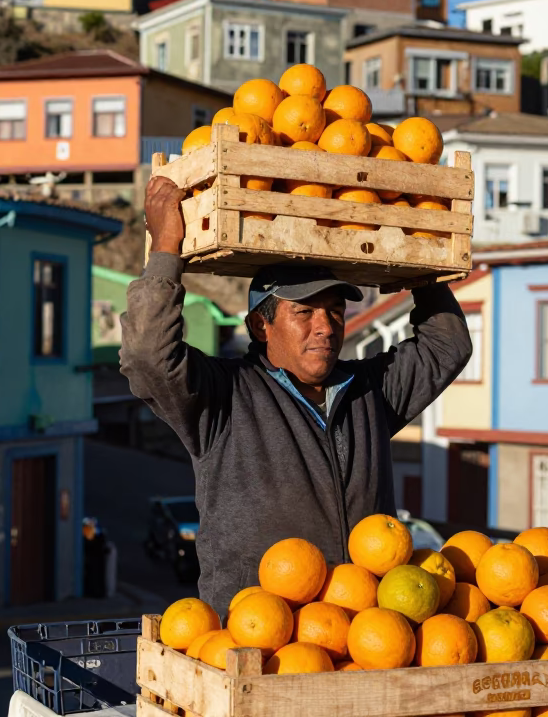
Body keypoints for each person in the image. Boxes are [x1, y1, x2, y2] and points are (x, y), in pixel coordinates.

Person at [120, 176, 472, 615]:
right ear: (260, 326)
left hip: (363, 641)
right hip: (257, 641)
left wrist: (420, 263)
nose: (325, 327)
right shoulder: (224, 396)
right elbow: (147, 355)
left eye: (336, 312)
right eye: (304, 312)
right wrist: (165, 253)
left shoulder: (368, 393)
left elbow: (448, 346)